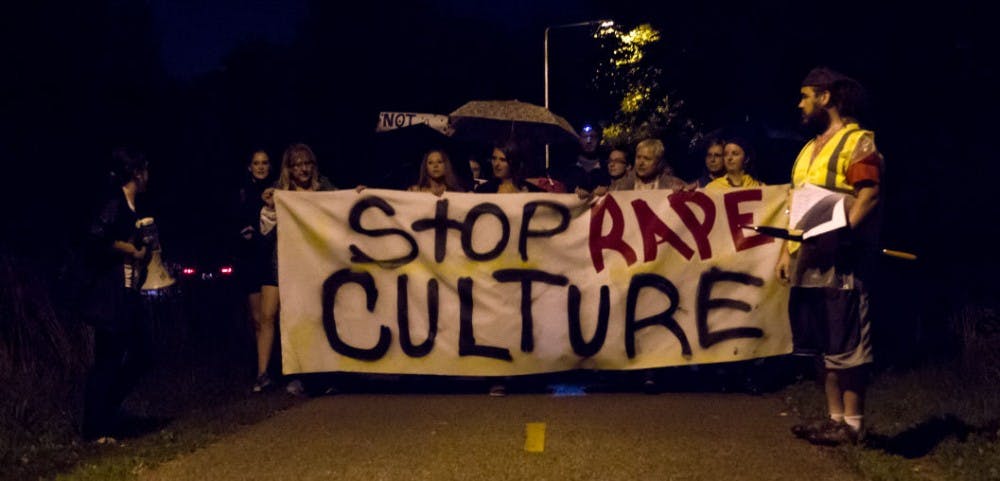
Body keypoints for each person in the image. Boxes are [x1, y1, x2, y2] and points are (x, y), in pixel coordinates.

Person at [775, 67, 884, 445]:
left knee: (847, 340)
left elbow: (868, 193)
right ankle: (834, 420)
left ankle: (853, 425)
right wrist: (787, 253)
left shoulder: (858, 142)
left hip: (843, 260)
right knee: (823, 341)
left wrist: (846, 233)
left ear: (826, 97)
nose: (800, 103)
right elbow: (795, 205)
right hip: (809, 260)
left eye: (806, 96)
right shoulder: (808, 149)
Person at [80, 147, 154, 442]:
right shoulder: (115, 204)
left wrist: (145, 252)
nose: (150, 177)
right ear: (137, 173)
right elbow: (94, 238)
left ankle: (108, 411)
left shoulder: (135, 209)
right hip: (109, 295)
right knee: (108, 358)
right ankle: (95, 428)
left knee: (143, 353)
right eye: (146, 171)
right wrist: (129, 248)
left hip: (129, 292)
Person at [256, 143, 336, 393]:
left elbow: (342, 209)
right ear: (289, 169)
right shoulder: (280, 193)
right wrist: (270, 208)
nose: (303, 168)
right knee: (281, 318)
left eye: (307, 163)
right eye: (297, 164)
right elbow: (265, 231)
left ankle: (318, 375)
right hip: (284, 265)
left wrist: (357, 196)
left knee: (314, 319)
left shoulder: (325, 188)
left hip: (316, 268)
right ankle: (280, 374)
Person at [235, 149, 273, 370]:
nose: (260, 167)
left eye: (265, 163)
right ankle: (263, 368)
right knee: (257, 318)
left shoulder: (278, 190)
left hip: (270, 259)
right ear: (250, 166)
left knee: (271, 317)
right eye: (256, 163)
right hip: (250, 260)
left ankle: (271, 366)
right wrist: (242, 232)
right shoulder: (242, 192)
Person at [609, 138, 688, 192]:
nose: (641, 163)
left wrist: (684, 194)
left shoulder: (673, 183)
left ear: (658, 162)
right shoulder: (619, 186)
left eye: (647, 159)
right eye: (638, 157)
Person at [474, 143, 543, 194]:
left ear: (514, 162)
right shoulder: (483, 190)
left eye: (503, 160)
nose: (496, 164)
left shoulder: (532, 190)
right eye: (494, 158)